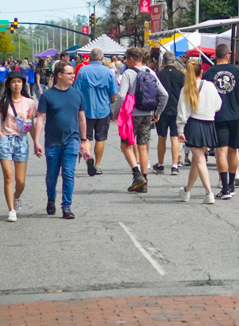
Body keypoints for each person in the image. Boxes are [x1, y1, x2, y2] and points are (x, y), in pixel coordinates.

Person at [34, 63, 87, 219]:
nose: (73, 76)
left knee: (68, 173)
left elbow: (82, 119)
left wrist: (83, 141)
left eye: (73, 73)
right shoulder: (47, 96)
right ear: (59, 75)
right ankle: (51, 198)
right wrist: (37, 141)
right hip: (52, 142)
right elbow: (40, 119)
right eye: (69, 73)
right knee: (52, 175)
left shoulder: (78, 94)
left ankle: (66, 207)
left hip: (72, 139)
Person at [115, 48, 169, 194]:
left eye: (126, 58)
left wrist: (116, 113)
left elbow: (121, 96)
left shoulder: (128, 73)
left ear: (132, 59)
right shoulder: (151, 72)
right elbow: (164, 95)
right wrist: (158, 112)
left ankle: (137, 175)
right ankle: (144, 180)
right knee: (143, 146)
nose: (125, 61)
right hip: (147, 113)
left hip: (131, 115)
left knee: (125, 145)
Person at [203, 43, 239, 199]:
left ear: (216, 56)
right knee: (234, 150)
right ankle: (231, 185)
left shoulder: (209, 73)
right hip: (234, 115)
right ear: (227, 55)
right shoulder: (238, 72)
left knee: (221, 152)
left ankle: (224, 188)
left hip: (217, 116)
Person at [0, 71, 35, 222]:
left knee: (20, 181)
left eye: (19, 82)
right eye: (14, 82)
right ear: (9, 84)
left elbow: (30, 125)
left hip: (21, 140)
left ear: (23, 84)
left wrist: (36, 142)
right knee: (8, 177)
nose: (17, 84)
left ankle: (17, 196)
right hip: (5, 139)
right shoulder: (3, 101)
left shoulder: (29, 103)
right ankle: (11, 211)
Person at [176, 60, 221, 204]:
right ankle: (187, 190)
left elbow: (182, 112)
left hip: (194, 124)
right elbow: (218, 105)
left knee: (199, 159)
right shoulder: (210, 86)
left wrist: (180, 130)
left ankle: (209, 193)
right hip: (208, 124)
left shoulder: (187, 89)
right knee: (197, 159)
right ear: (201, 72)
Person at [75, 47, 119, 176]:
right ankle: (97, 165)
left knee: (86, 137)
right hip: (103, 110)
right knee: (100, 139)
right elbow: (114, 94)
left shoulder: (83, 70)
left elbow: (77, 91)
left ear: (89, 57)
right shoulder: (108, 72)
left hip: (86, 110)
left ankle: (88, 157)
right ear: (102, 58)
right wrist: (111, 104)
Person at [154, 51, 186, 175]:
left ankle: (161, 164)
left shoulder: (159, 75)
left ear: (163, 62)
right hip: (177, 110)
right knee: (175, 138)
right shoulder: (181, 76)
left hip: (162, 110)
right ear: (174, 61)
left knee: (161, 137)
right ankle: (174, 165)